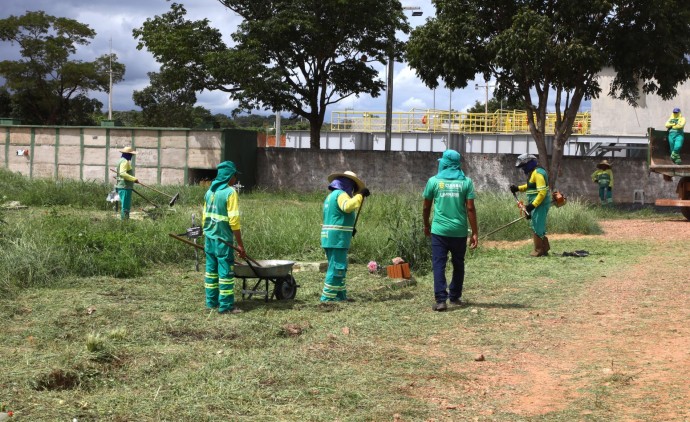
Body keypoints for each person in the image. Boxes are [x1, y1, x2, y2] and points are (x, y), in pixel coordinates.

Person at [423, 149, 478, 312]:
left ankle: (441, 300)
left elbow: (426, 206)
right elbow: (470, 208)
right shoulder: (466, 182)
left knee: (439, 264)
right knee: (458, 263)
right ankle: (454, 296)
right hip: (459, 231)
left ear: (444, 163)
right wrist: (475, 232)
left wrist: (426, 224)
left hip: (439, 230)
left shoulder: (433, 181)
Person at [202, 161, 246, 314]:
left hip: (209, 238)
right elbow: (234, 221)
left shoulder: (210, 192)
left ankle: (211, 302)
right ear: (228, 176)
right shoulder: (229, 193)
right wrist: (240, 245)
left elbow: (204, 217)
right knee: (225, 272)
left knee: (211, 271)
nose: (235, 178)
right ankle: (226, 306)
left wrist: (206, 232)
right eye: (234, 175)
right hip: (222, 240)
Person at [320, 171, 370, 302]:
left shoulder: (330, 196)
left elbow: (336, 217)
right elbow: (347, 207)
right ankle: (328, 298)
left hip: (329, 237)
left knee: (338, 266)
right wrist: (360, 195)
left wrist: (349, 229)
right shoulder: (341, 194)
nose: (353, 190)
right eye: (353, 187)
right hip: (337, 239)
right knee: (337, 267)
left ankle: (340, 295)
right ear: (347, 184)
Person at [510, 153, 551, 257]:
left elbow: (542, 193)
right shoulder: (533, 173)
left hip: (539, 204)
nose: (523, 169)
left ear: (529, 164)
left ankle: (538, 251)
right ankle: (544, 249)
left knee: (538, 225)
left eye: (524, 166)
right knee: (536, 224)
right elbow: (529, 186)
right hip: (536, 204)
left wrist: (532, 205)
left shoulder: (538, 173)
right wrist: (517, 188)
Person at [115, 146, 138, 220]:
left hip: (121, 186)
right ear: (128, 154)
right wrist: (134, 179)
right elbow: (122, 174)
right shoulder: (125, 161)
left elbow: (120, 174)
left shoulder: (120, 160)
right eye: (131, 155)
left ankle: (124, 220)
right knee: (125, 206)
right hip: (125, 187)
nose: (131, 156)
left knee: (124, 205)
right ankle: (124, 223)